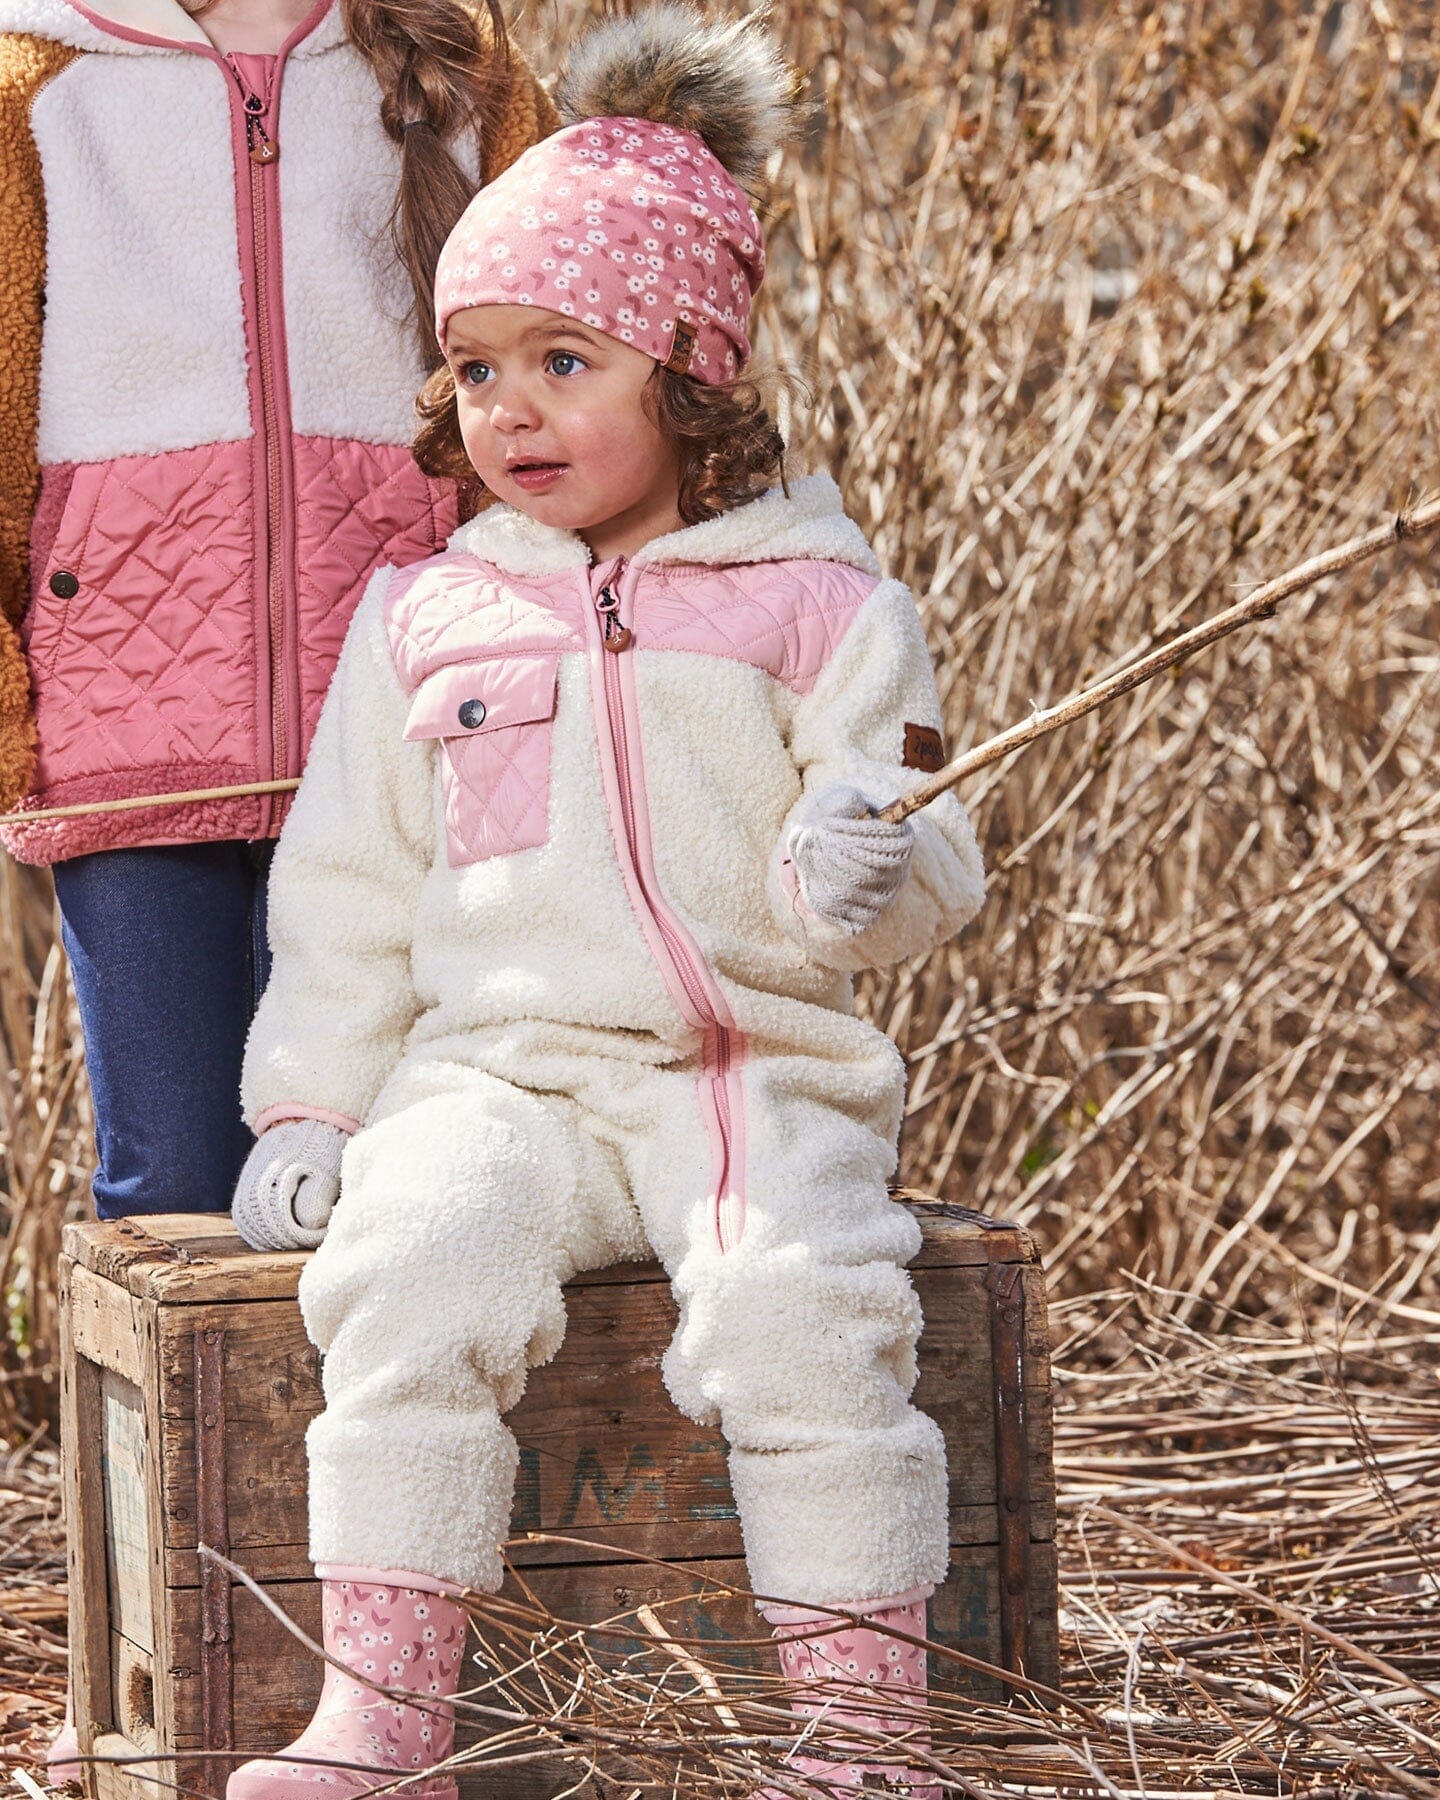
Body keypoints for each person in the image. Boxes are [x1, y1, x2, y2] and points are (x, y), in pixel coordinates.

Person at [228, 9, 986, 1796]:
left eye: (567, 359)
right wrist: (315, 1103)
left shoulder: (820, 599)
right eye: (478, 368)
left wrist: (857, 867)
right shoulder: (429, 620)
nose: (513, 410)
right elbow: (350, 879)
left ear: (694, 369)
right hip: (503, 1077)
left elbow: (923, 859)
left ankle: (864, 1739)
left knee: (807, 1310)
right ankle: (386, 1715)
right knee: (407, 1265)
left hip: (753, 1069)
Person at [0, 0, 553, 1778]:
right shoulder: (36, 88)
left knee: (431, 1197)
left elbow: (583, 396)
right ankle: (174, 1676)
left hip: (424, 738)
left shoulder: (465, 75)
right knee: (174, 1200)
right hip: (133, 751)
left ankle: (425, 1680)